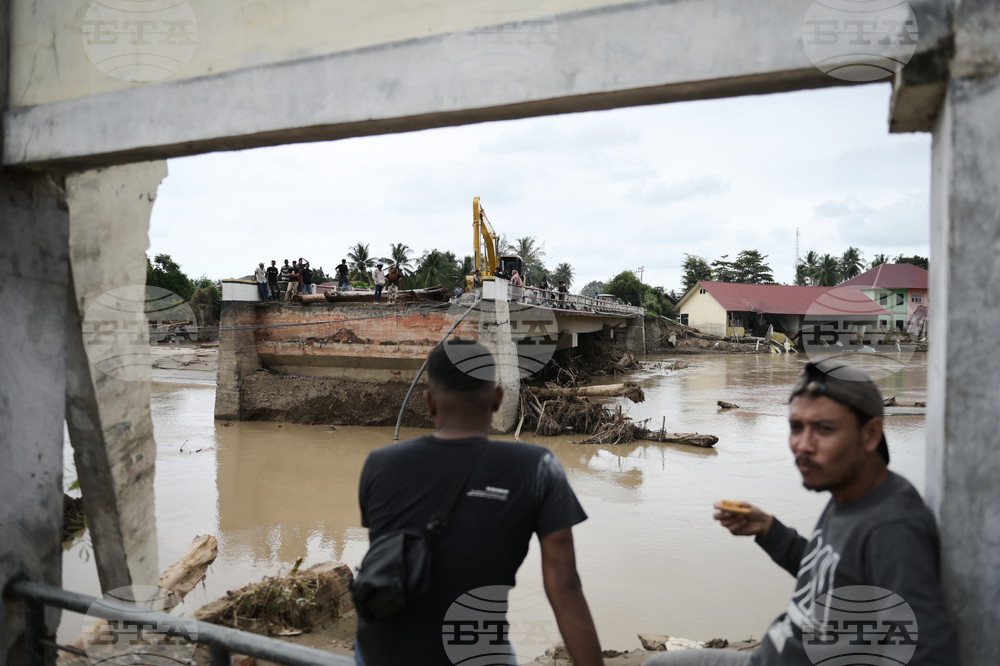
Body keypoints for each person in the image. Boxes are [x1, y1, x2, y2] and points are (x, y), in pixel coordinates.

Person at [644, 359, 959, 666]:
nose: (803, 445)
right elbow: (828, 575)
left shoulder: (892, 527)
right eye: (796, 427)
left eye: (825, 429)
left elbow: (928, 652)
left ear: (870, 434)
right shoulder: (848, 492)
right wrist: (769, 529)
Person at [356, 343, 603, 666]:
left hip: (380, 652)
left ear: (430, 402)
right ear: (497, 399)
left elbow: (388, 555)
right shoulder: (537, 467)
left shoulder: (379, 463)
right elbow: (564, 585)